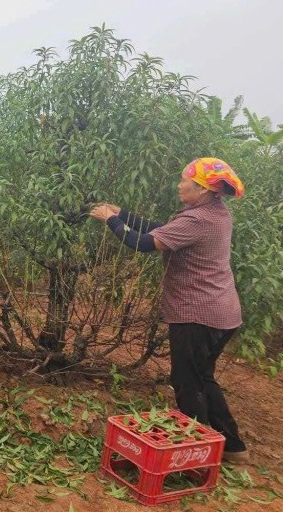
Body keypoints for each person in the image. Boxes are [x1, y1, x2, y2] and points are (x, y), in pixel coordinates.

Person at [90, 157, 249, 464]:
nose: (179, 185)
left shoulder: (198, 220)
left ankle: (195, 450)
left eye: (184, 181)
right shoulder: (214, 212)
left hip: (198, 315)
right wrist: (121, 212)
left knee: (188, 381)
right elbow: (163, 229)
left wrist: (111, 220)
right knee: (203, 377)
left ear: (202, 189)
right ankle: (232, 445)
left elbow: (145, 243)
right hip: (221, 312)